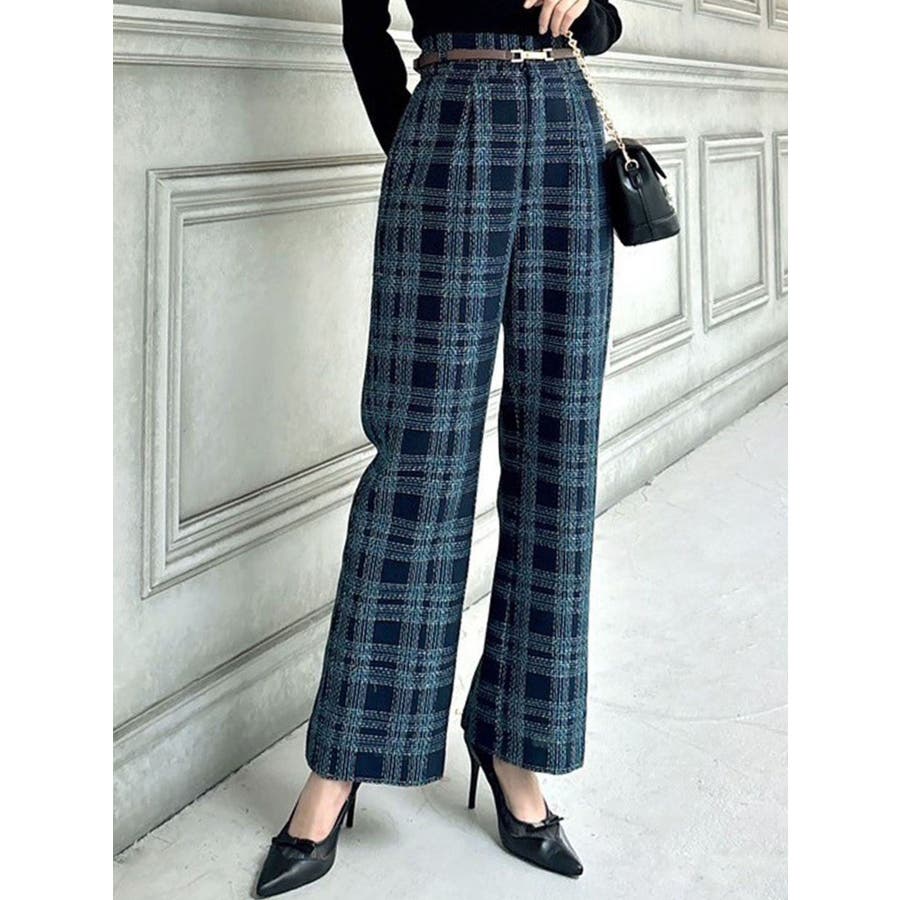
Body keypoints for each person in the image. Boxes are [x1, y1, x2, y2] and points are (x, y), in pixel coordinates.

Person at [256, 1, 622, 895]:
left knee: (562, 446)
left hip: (568, 133)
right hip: (450, 120)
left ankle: (515, 747)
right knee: (416, 455)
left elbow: (605, 25)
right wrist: (415, 140)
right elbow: (362, 28)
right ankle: (344, 762)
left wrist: (589, 6)